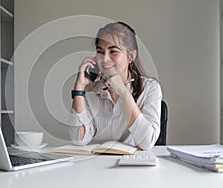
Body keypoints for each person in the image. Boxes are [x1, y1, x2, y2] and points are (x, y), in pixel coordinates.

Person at [69, 21, 162, 150]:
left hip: (132, 164)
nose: (105, 58)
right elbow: (79, 140)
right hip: (96, 164)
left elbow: (146, 143)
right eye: (100, 52)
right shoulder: (91, 90)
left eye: (113, 51)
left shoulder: (150, 88)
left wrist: (124, 93)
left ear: (131, 56)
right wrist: (79, 89)